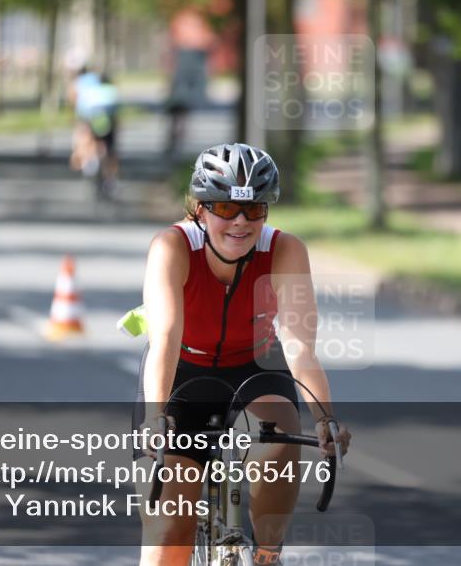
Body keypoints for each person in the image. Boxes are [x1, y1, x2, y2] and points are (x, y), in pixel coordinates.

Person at [133, 142, 351, 566]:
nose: (239, 222)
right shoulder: (172, 247)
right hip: (181, 369)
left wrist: (325, 418)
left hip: (255, 368)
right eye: (225, 209)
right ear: (200, 209)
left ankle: (267, 556)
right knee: (168, 535)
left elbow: (300, 346)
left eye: (254, 210)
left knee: (278, 449)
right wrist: (155, 417)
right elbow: (165, 338)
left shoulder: (285, 251)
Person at [67, 67, 119, 197]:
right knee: (110, 151)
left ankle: (90, 163)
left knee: (91, 143)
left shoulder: (89, 93)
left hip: (92, 120)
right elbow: (117, 114)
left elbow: (83, 114)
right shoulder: (112, 92)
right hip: (109, 122)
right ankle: (110, 179)